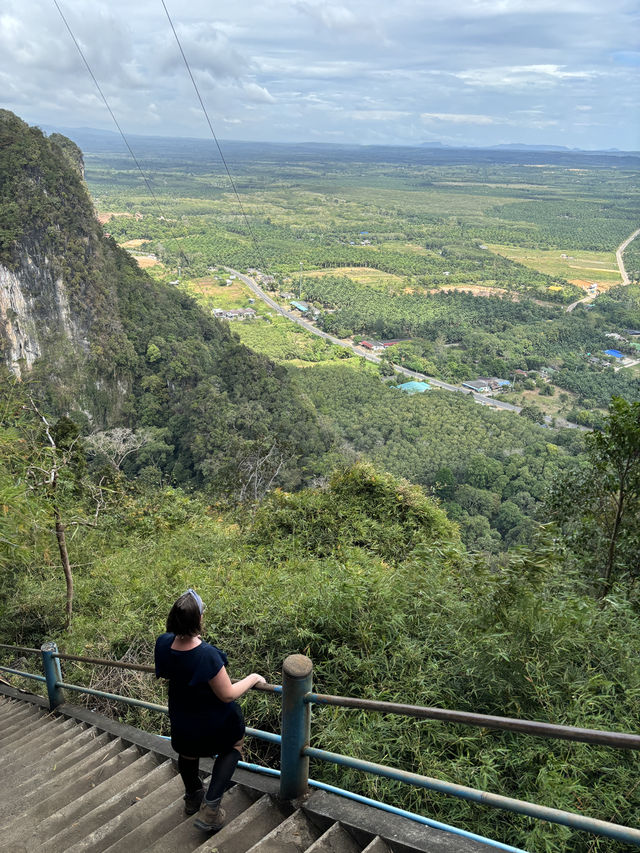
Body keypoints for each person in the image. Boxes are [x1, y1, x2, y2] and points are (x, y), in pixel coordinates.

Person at [154, 589, 266, 833]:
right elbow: (227, 693)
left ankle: (193, 796)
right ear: (199, 620)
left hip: (182, 719)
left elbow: (166, 671)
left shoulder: (163, 643)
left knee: (188, 752)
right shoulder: (207, 655)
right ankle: (211, 808)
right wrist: (253, 677)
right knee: (234, 745)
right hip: (211, 724)